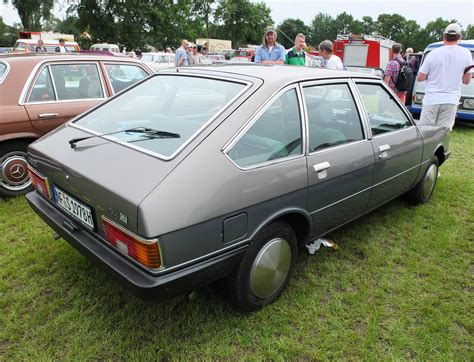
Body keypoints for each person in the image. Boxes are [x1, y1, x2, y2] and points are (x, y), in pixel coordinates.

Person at [417, 23, 472, 131]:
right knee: (443, 133)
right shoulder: (466, 54)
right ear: (460, 37)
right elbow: (466, 80)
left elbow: (420, 77)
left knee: (425, 131)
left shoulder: (433, 53)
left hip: (431, 99)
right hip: (451, 99)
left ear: (444, 36)